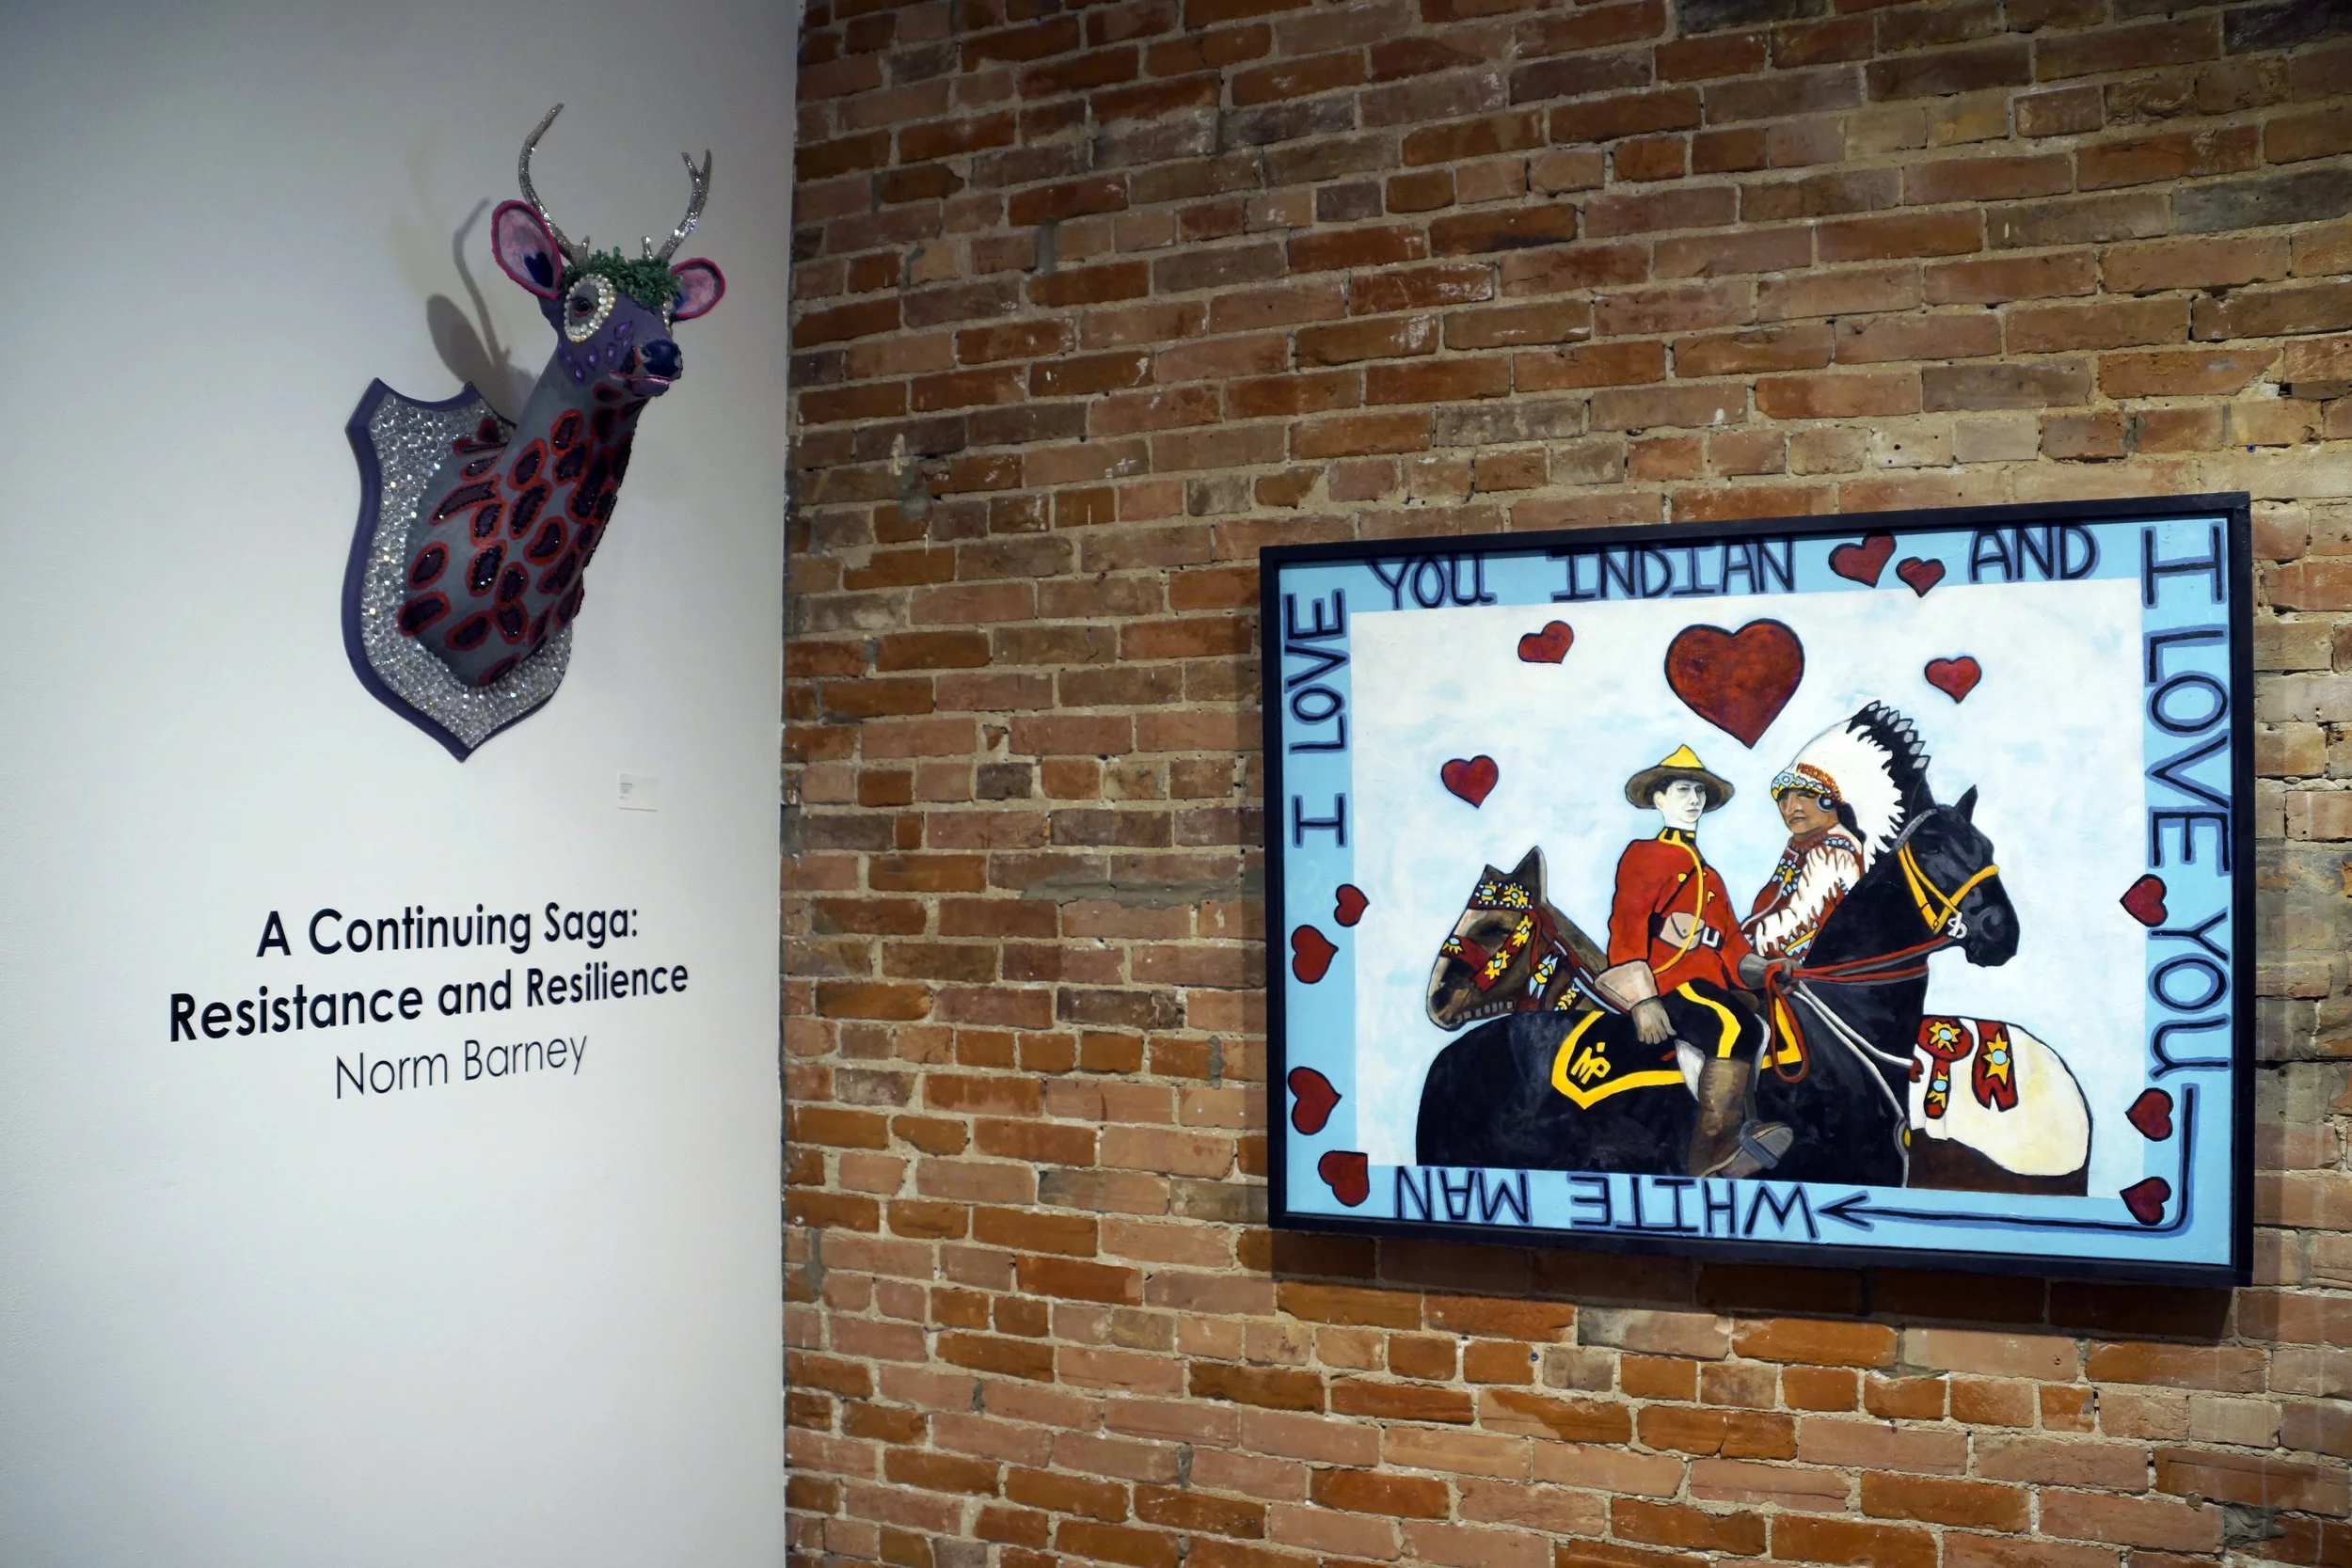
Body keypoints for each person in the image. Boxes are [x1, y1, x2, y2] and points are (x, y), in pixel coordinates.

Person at [1600, 745, 1787, 1179]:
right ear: (1659, 799)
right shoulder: (1643, 855)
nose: (1694, 799)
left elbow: (1732, 946)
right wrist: (1642, 1000)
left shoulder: (1711, 875)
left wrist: (1766, 969)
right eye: (1682, 789)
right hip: (1669, 986)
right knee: (1733, 1026)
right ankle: (1713, 1149)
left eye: (1699, 791)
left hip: (1711, 986)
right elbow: (1627, 928)